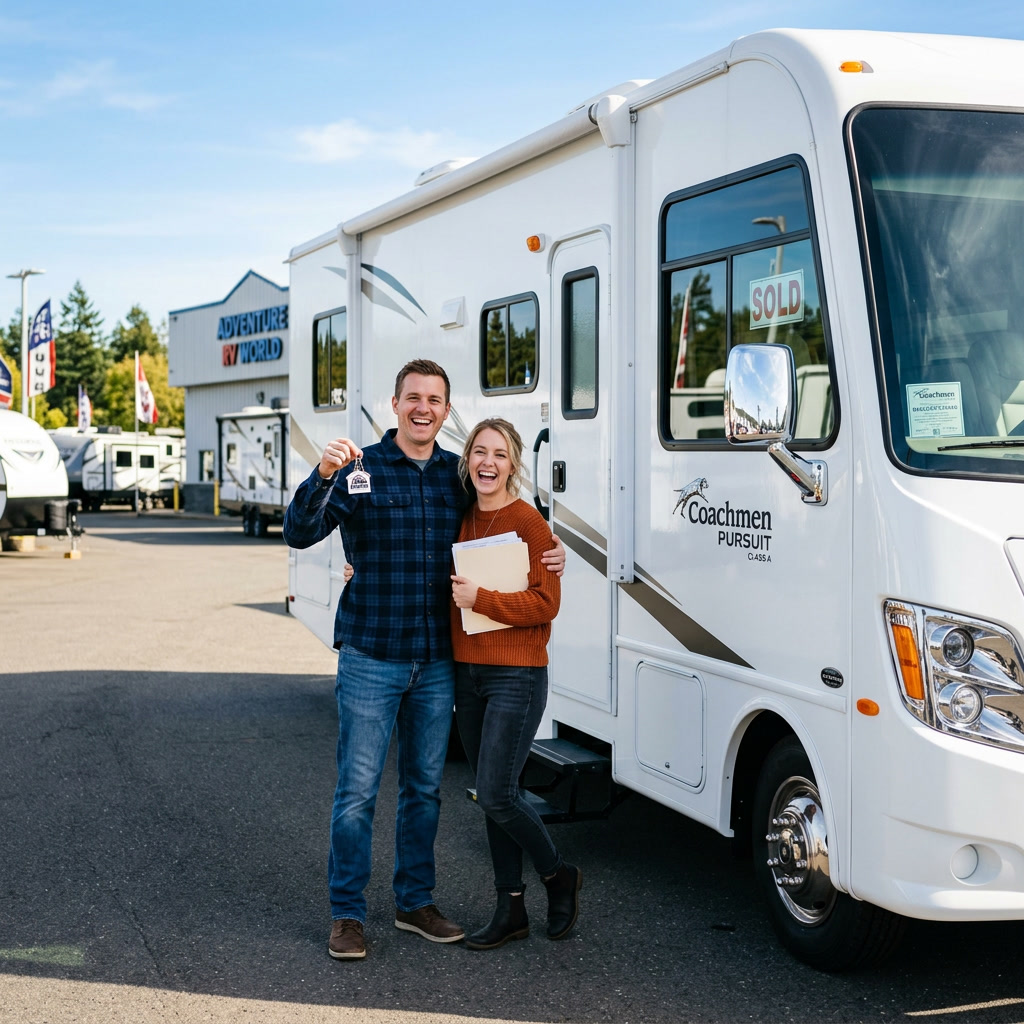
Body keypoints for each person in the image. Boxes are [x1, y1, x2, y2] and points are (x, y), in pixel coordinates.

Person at [282, 359, 564, 961]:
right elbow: (299, 532)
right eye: (414, 398)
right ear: (395, 404)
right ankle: (348, 914)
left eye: (435, 400)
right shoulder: (361, 471)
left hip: (437, 661)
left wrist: (549, 548)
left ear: (445, 409)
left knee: (424, 790)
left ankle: (414, 902)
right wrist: (322, 473)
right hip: (371, 655)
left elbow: (499, 515)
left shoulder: (455, 477)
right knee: (357, 791)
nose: (423, 409)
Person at [450, 418, 582, 949]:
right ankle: (510, 910)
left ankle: (557, 874)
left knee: (500, 793)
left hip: (517, 674)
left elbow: (545, 603)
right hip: (468, 671)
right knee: (488, 792)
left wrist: (482, 599)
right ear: (467, 460)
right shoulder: (458, 517)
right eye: (479, 452)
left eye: (499, 455)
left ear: (514, 464)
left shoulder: (529, 523)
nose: (487, 463)